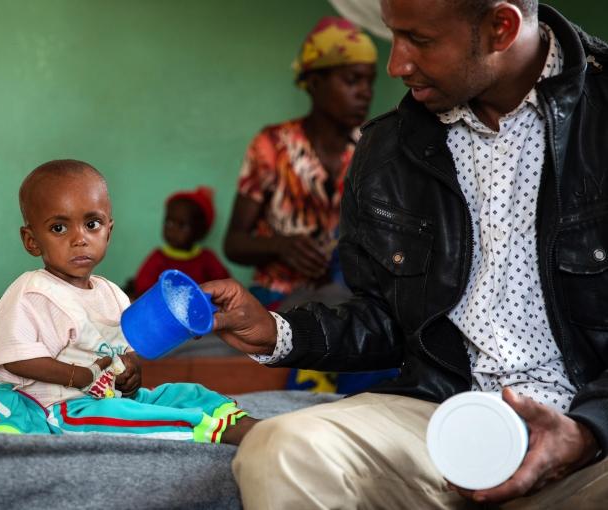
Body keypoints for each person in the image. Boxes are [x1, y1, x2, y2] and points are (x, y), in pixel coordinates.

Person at [203, 0, 608, 507]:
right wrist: (278, 331)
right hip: (441, 413)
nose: (396, 65)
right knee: (282, 448)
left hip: (590, 426)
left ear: (500, 27)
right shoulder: (386, 147)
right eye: (394, 35)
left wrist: (591, 429)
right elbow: (384, 317)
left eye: (421, 40)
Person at [0, 159, 256, 445]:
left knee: (182, 393)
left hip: (103, 396)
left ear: (108, 232)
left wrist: (131, 372)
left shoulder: (112, 293)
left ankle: (233, 418)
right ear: (32, 241)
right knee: (121, 417)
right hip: (55, 405)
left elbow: (122, 350)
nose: (80, 238)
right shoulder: (31, 292)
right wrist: (81, 376)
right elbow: (17, 360)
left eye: (92, 224)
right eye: (59, 227)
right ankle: (214, 432)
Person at [223, 16, 377, 311]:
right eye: (352, 80)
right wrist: (281, 246)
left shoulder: (371, 146)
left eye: (370, 81)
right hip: (275, 297)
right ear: (315, 82)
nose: (365, 92)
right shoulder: (272, 145)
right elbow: (234, 243)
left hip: (348, 300)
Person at [133, 186, 230, 297]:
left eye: (182, 226)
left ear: (199, 231)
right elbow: (142, 288)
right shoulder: (158, 258)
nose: (173, 230)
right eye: (169, 223)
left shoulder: (207, 259)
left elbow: (225, 286)